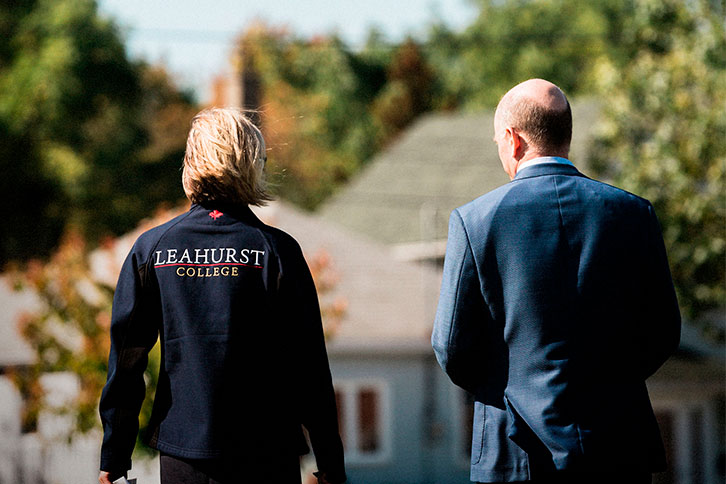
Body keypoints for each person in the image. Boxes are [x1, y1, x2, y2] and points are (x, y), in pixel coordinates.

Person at [432, 79, 681, 484]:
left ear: (513, 140)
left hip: (515, 450)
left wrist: (508, 388)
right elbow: (663, 331)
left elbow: (452, 346)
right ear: (565, 135)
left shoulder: (475, 221)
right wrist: (612, 384)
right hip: (619, 446)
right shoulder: (632, 214)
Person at [98, 108, 346, 484]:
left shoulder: (153, 250)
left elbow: (126, 363)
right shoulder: (276, 252)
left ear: (192, 162)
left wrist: (114, 457)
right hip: (267, 455)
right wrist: (330, 460)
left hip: (184, 454)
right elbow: (309, 366)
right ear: (250, 163)